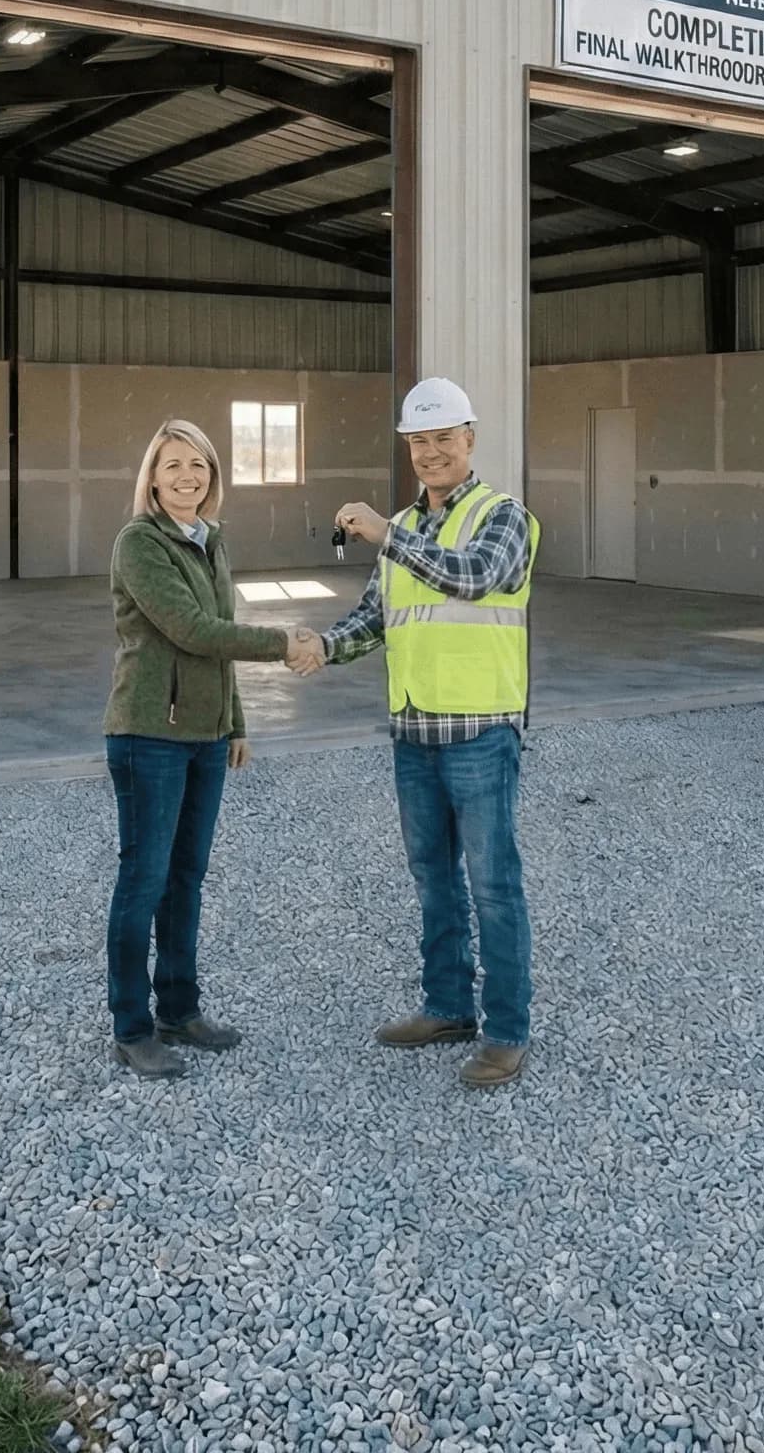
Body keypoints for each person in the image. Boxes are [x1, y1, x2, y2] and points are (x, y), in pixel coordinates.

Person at [288, 378, 540, 1089]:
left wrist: (387, 533)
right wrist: (322, 647)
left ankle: (507, 1031)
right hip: (413, 729)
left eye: (441, 439)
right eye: (417, 442)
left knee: (493, 886)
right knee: (433, 879)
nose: (429, 453)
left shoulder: (504, 518)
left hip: (481, 730)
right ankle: (447, 1007)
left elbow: (475, 579)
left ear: (469, 439)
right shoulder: (405, 524)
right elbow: (376, 616)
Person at [104, 418, 309, 1080]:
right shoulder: (139, 544)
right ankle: (132, 1028)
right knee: (144, 882)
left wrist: (236, 723)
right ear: (152, 477)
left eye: (198, 466)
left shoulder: (209, 540)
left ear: (212, 475)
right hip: (149, 736)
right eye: (172, 466)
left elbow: (218, 646)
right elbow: (194, 632)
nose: (187, 477)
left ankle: (180, 1010)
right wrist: (283, 642)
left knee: (186, 880)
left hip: (205, 737)